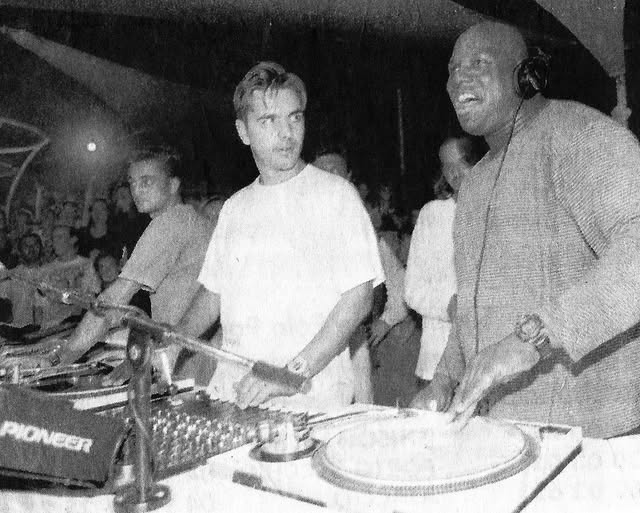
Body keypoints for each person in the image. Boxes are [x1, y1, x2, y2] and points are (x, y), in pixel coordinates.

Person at [412, 21, 640, 438]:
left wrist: (534, 339)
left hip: (594, 435)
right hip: (508, 433)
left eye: (478, 63)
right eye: (452, 69)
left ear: (525, 76)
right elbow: (473, 309)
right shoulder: (475, 184)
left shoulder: (580, 135)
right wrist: (444, 380)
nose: (458, 79)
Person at [173, 62, 383, 412]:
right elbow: (214, 293)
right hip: (235, 394)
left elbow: (359, 298)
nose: (286, 133)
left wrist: (289, 374)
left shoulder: (336, 196)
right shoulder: (235, 208)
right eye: (268, 121)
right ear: (243, 131)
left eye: (294, 118)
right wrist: (173, 340)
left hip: (310, 400)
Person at [55, 145, 212, 365]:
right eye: (132, 183)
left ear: (173, 185)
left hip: (186, 360)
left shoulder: (170, 223)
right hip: (194, 352)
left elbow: (113, 302)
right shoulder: (188, 218)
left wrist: (59, 360)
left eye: (146, 182)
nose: (136, 190)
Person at [312, 147, 407, 403]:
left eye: (336, 171)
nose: (330, 177)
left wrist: (385, 321)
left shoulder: (364, 231)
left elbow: (402, 286)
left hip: (357, 346)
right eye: (322, 171)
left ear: (348, 176)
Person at [405, 137, 475, 385]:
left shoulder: (503, 210)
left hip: (488, 364)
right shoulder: (432, 214)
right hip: (437, 361)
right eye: (447, 166)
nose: (454, 173)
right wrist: (448, 305)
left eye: (462, 162)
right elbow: (412, 291)